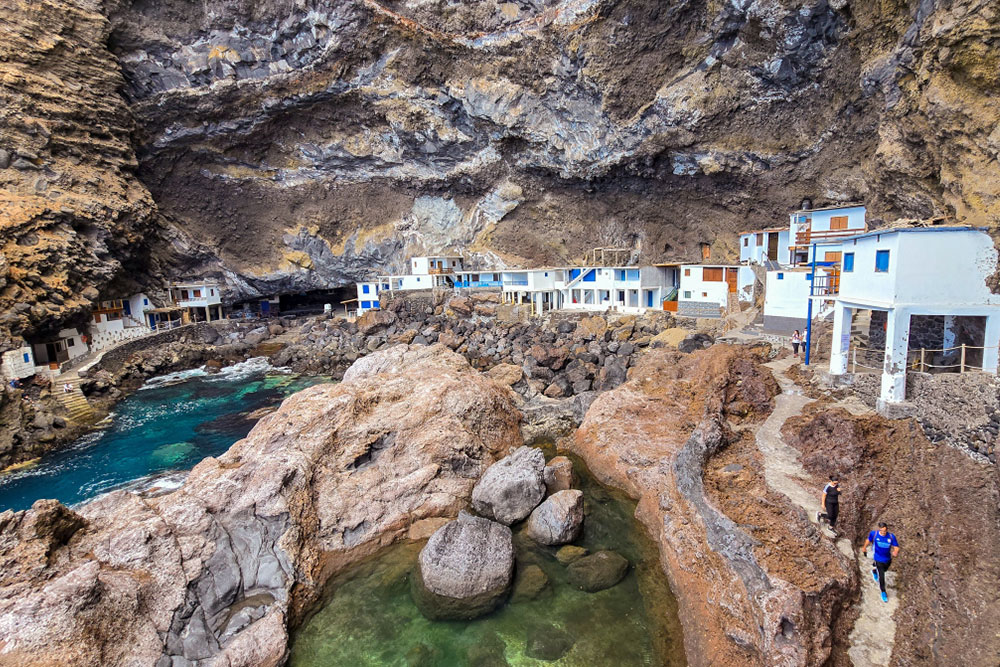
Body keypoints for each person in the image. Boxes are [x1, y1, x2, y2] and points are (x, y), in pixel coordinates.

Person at [863, 522, 900, 602]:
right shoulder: (874, 534)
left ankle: (874, 571)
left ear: (887, 530)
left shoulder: (891, 536)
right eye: (881, 531)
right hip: (878, 558)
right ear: (879, 529)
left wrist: (895, 551)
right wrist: (864, 548)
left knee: (885, 569)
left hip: (887, 558)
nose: (883, 532)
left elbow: (896, 546)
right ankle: (883, 592)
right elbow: (868, 540)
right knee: (882, 576)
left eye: (884, 531)